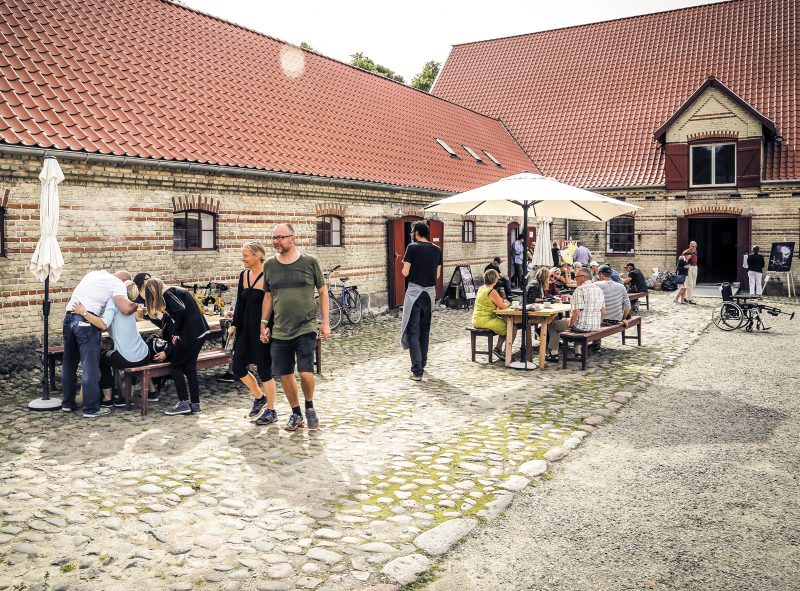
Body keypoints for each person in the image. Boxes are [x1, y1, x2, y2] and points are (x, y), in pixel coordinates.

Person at [260, 223, 330, 431]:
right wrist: (263, 323)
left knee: (306, 373)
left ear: (293, 238)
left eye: (280, 237)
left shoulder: (310, 262)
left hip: (305, 326)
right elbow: (268, 296)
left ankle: (309, 406)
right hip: (280, 329)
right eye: (274, 238)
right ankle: (296, 413)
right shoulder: (269, 265)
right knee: (285, 374)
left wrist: (325, 323)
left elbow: (323, 291)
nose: (276, 241)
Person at [61, 270, 137, 418]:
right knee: (90, 367)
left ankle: (68, 404)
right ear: (124, 280)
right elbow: (126, 308)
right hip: (86, 321)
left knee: (69, 364)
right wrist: (137, 306)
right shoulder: (117, 284)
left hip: (69, 318)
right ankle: (91, 408)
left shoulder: (94, 274)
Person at [72, 280, 150, 408]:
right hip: (144, 354)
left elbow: (103, 324)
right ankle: (128, 395)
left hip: (127, 358)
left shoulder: (113, 302)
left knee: (100, 358)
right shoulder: (129, 304)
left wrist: (83, 312)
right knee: (121, 352)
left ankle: (108, 399)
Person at [228, 242, 279, 425]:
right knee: (237, 366)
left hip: (262, 331)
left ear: (258, 256)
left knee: (265, 370)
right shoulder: (244, 275)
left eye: (246, 255)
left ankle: (271, 410)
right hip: (245, 331)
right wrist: (234, 325)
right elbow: (240, 304)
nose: (243, 258)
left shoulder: (269, 275)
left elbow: (274, 305)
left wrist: (269, 328)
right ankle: (259, 397)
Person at [144, 278, 210, 415]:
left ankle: (184, 403)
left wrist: (176, 332)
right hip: (200, 332)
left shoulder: (167, 293)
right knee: (190, 369)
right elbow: (176, 315)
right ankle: (195, 404)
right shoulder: (175, 291)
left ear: (153, 288)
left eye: (151, 291)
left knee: (176, 366)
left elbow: (180, 310)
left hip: (190, 334)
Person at [399, 221, 442, 382]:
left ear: (417, 233)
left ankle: (417, 371)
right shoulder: (437, 250)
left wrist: (407, 267)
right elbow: (437, 275)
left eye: (412, 232)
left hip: (415, 294)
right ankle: (422, 363)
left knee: (413, 331)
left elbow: (405, 272)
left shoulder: (412, 247)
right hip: (429, 294)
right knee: (424, 331)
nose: (412, 234)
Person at [545, 267, 605, 362]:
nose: (575, 279)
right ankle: (578, 351)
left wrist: (570, 326)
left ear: (584, 277)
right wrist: (598, 323)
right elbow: (603, 311)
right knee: (576, 321)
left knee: (553, 326)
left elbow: (576, 312)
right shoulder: (599, 289)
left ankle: (554, 354)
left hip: (581, 326)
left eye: (577, 277)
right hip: (595, 326)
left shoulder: (580, 290)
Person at [472, 269, 514, 359]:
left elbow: (495, 301)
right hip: (486, 320)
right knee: (509, 326)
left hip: (476, 319)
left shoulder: (481, 288)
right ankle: (499, 349)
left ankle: (498, 348)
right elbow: (502, 306)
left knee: (505, 324)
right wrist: (507, 303)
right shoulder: (492, 291)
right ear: (494, 279)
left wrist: (502, 300)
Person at [593, 265, 632, 351]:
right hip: (616, 319)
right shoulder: (621, 286)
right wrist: (623, 318)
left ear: (601, 274)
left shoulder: (596, 285)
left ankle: (589, 344)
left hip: (602, 321)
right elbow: (628, 306)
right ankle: (596, 343)